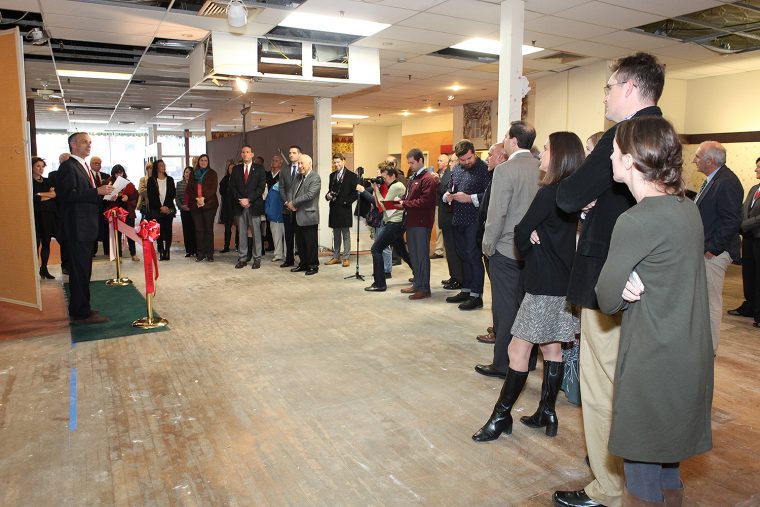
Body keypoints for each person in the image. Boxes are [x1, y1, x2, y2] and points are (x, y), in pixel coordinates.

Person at [554, 52, 665, 507]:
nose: (604, 95)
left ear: (630, 89)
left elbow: (569, 194)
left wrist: (587, 199)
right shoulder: (662, 131)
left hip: (611, 278)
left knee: (602, 387)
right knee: (629, 382)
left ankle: (608, 486)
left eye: (608, 86)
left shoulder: (625, 135)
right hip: (645, 273)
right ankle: (622, 473)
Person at [596, 116, 713, 506]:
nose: (609, 158)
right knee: (668, 467)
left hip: (653, 357)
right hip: (687, 352)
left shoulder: (635, 220)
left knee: (642, 476)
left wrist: (622, 279)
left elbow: (607, 296)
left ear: (629, 161)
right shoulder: (687, 208)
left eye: (613, 152)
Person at [472, 131, 582, 442]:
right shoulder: (573, 194)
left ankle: (500, 417)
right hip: (563, 283)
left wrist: (530, 233)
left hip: (543, 285)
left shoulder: (549, 193)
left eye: (546, 148)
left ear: (558, 155)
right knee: (552, 348)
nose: (541, 153)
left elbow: (521, 234)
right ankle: (547, 411)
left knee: (516, 350)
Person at [476, 122, 541, 379]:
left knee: (504, 310)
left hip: (506, 249)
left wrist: (487, 247)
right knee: (528, 306)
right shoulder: (541, 168)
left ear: (513, 141)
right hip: (533, 251)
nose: (503, 139)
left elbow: (497, 214)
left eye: (505, 135)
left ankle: (503, 364)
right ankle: (529, 358)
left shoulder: (505, 170)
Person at [56, 132, 113, 324]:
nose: (89, 145)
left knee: (84, 270)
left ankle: (82, 307)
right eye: (84, 142)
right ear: (73, 144)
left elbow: (84, 195)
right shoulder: (68, 167)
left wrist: (102, 194)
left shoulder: (83, 165)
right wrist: (96, 191)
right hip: (77, 228)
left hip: (86, 226)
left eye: (90, 142)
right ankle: (80, 312)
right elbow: (68, 196)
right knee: (79, 271)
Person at [692, 141, 743, 354]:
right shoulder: (714, 180)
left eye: (697, 156)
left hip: (715, 253)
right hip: (707, 250)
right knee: (703, 300)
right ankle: (701, 344)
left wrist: (712, 248)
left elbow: (732, 221)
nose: (693, 160)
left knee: (712, 302)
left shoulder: (727, 182)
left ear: (710, 161)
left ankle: (709, 349)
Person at [443, 140, 491, 310]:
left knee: (473, 256)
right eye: (462, 160)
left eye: (468, 159)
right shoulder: (456, 168)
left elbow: (489, 195)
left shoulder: (486, 169)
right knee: (462, 255)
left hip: (475, 220)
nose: (465, 163)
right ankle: (466, 289)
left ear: (474, 152)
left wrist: (470, 198)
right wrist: (448, 195)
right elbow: (451, 187)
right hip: (458, 218)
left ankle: (476, 296)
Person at [475, 142, 508, 344]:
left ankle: (499, 331)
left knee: (501, 295)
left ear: (502, 157)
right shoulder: (493, 175)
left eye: (491, 155)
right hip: (489, 240)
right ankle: (498, 326)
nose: (487, 158)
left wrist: (487, 244)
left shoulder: (502, 176)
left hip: (497, 245)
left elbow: (497, 214)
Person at [396, 148, 437, 299]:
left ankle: (424, 288)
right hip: (412, 221)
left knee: (421, 256)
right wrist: (402, 200)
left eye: (412, 162)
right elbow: (410, 197)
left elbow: (425, 202)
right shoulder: (414, 177)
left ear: (420, 160)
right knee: (414, 254)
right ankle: (417, 283)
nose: (410, 165)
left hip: (421, 222)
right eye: (408, 163)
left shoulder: (428, 179)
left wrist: (405, 204)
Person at [365, 166, 411, 292]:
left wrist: (376, 190)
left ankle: (379, 283)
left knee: (376, 249)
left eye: (384, 178)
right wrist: (377, 191)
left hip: (393, 224)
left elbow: (383, 206)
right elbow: (384, 204)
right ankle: (419, 274)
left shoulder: (395, 187)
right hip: (396, 224)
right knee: (403, 253)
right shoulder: (399, 186)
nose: (383, 180)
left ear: (392, 176)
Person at [286, 153, 321, 275]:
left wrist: (293, 203)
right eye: (298, 163)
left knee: (310, 243)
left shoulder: (315, 178)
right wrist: (290, 202)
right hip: (297, 215)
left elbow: (310, 195)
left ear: (309, 164)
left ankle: (313, 266)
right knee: (300, 243)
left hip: (309, 216)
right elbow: (291, 190)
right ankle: (303, 264)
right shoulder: (298, 177)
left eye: (302, 163)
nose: (299, 166)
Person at [734, 157, 760, 325]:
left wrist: (744, 225)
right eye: (756, 167)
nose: (756, 170)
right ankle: (750, 306)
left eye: (759, 167)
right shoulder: (754, 188)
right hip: (749, 238)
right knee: (749, 274)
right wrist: (741, 224)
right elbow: (744, 208)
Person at [232, 145, 266, 269]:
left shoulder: (259, 169)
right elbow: (232, 187)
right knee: (242, 234)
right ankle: (243, 258)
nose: (245, 154)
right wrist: (240, 200)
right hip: (240, 206)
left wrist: (249, 199)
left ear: (252, 154)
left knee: (256, 233)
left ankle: (257, 259)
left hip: (254, 206)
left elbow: (261, 187)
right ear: (241, 155)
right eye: (243, 152)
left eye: (248, 152)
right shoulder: (236, 169)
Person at [324, 153, 359, 267]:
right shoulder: (332, 175)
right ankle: (336, 256)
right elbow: (330, 190)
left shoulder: (352, 176)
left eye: (338, 162)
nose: (336, 164)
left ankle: (346, 257)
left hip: (345, 208)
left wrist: (346, 202)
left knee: (345, 234)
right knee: (336, 234)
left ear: (344, 161)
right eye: (334, 162)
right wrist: (328, 196)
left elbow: (355, 193)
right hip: (334, 208)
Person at [436, 153, 463, 290]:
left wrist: (438, 182)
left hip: (451, 218)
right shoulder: (450, 174)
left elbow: (443, 190)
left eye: (452, 161)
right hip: (447, 217)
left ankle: (458, 279)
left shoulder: (456, 175)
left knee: (453, 251)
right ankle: (454, 276)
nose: (450, 164)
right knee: (450, 251)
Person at [187, 154, 219, 262]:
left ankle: (210, 254)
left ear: (208, 162)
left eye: (206, 160)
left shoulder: (212, 173)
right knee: (199, 230)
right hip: (195, 205)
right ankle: (200, 254)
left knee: (208, 230)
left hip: (209, 205)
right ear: (198, 162)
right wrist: (197, 199)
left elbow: (213, 188)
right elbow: (189, 189)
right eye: (202, 160)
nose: (203, 162)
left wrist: (203, 198)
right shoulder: (193, 173)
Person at [106, 164, 139, 261]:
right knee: (117, 234)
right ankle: (118, 255)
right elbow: (104, 199)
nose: (119, 175)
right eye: (117, 173)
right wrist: (112, 197)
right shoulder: (109, 183)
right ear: (113, 174)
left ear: (124, 173)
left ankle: (133, 254)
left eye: (120, 172)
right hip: (116, 212)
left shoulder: (128, 183)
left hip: (128, 212)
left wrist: (128, 197)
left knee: (131, 233)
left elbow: (136, 195)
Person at [31, 157, 58, 279]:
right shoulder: (29, 182)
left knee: (46, 243)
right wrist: (44, 196)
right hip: (36, 215)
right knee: (35, 244)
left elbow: (54, 194)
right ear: (31, 167)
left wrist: (40, 195)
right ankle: (33, 270)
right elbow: (33, 199)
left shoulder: (48, 181)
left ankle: (44, 269)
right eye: (38, 166)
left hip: (48, 215)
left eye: (42, 166)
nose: (41, 169)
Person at [146, 159, 176, 261]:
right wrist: (160, 207)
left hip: (168, 209)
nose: (163, 167)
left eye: (164, 165)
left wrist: (166, 207)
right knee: (158, 231)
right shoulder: (151, 180)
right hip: (156, 210)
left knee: (168, 230)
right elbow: (151, 196)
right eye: (161, 165)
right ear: (157, 167)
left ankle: (167, 250)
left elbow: (172, 194)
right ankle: (161, 250)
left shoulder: (170, 179)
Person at [278, 145, 302, 267]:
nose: (291, 155)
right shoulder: (284, 170)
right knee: (288, 236)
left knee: (300, 236)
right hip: (287, 208)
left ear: (299, 154)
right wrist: (287, 203)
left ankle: (303, 261)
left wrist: (295, 204)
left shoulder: (303, 168)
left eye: (293, 153)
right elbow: (281, 188)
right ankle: (289, 259)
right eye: (289, 153)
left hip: (299, 209)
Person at [175, 166, 196, 258]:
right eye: (186, 172)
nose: (188, 174)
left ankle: (195, 250)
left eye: (190, 172)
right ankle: (188, 250)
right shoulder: (179, 184)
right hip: (184, 210)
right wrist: (181, 206)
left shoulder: (195, 184)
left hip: (194, 210)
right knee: (186, 230)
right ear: (184, 174)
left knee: (194, 230)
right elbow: (177, 197)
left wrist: (191, 206)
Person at [219, 161, 239, 254]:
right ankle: (226, 246)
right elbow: (221, 191)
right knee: (227, 228)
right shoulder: (225, 179)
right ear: (228, 170)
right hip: (227, 207)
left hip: (237, 207)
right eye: (230, 168)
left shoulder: (240, 179)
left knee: (239, 227)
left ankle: (238, 245)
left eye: (234, 168)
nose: (232, 170)